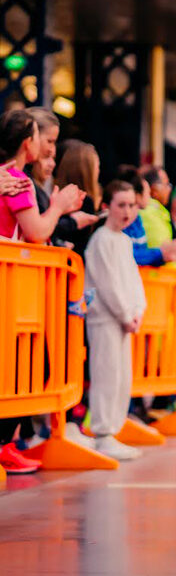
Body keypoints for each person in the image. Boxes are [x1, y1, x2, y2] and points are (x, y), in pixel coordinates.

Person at [84, 180, 147, 461]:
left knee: (122, 376)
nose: (127, 211)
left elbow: (134, 282)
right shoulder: (101, 240)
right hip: (105, 320)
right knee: (107, 375)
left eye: (132, 205)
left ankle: (112, 431)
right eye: (121, 205)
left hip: (123, 320)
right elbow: (108, 284)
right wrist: (125, 314)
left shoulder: (123, 241)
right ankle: (103, 432)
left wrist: (137, 311)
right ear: (107, 206)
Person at [0, 109, 84, 243]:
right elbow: (37, 233)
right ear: (28, 142)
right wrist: (58, 207)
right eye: (38, 136)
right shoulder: (17, 179)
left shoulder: (5, 174)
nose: (52, 149)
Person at [53, 140, 104, 256]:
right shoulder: (85, 201)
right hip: (75, 265)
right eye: (97, 166)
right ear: (88, 171)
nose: (99, 171)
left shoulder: (56, 195)